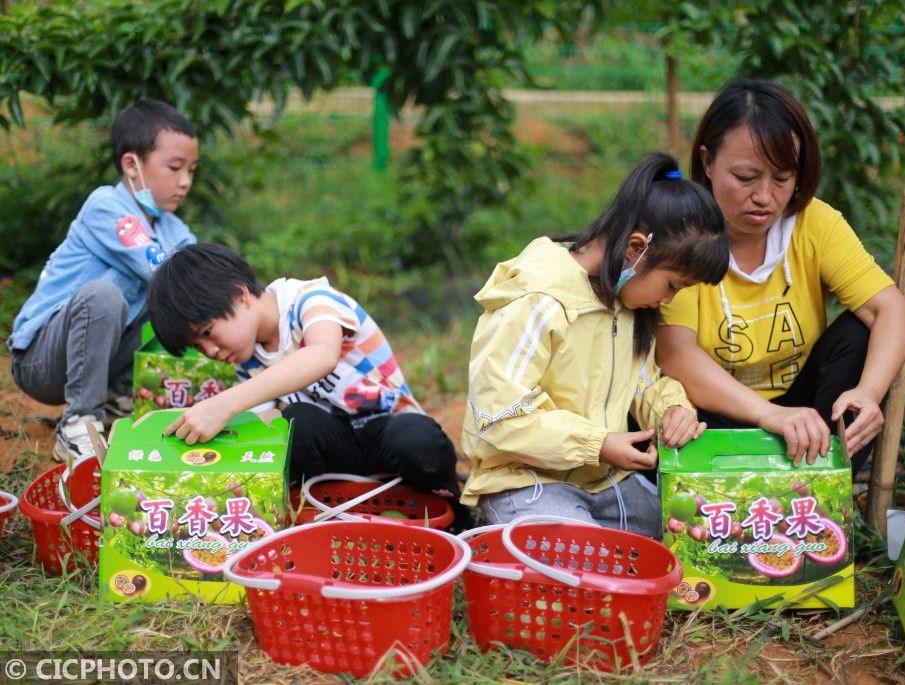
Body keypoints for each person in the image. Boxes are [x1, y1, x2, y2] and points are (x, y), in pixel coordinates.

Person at [460, 152, 729, 538]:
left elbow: (642, 382)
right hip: (527, 484)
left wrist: (672, 409)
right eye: (672, 285)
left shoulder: (628, 303)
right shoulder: (541, 299)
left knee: (701, 535)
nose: (668, 300)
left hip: (607, 484)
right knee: (589, 565)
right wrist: (598, 444)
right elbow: (499, 416)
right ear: (637, 248)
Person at [657, 78, 905, 476]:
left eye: (782, 179)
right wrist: (769, 415)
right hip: (713, 417)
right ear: (707, 162)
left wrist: (868, 393)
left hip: (807, 418)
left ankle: (826, 475)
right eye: (746, 178)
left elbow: (891, 310)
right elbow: (675, 353)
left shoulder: (814, 224)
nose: (765, 196)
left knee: (860, 335)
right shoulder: (685, 230)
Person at [146, 243, 472, 531]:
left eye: (207, 333)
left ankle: (454, 516)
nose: (211, 351)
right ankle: (326, 520)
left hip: (386, 433)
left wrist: (224, 404)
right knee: (298, 423)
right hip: (340, 457)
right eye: (199, 347)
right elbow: (265, 425)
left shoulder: (311, 300)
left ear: (240, 295)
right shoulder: (246, 362)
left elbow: (322, 355)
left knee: (416, 439)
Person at [8, 100, 199, 461]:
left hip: (99, 360)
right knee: (106, 295)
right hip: (41, 363)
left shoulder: (174, 229)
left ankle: (115, 398)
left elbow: (198, 278)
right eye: (175, 168)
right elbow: (168, 272)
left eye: (191, 169)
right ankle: (80, 420)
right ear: (132, 165)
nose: (185, 181)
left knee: (172, 295)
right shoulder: (106, 206)